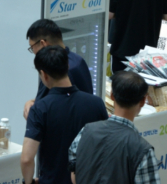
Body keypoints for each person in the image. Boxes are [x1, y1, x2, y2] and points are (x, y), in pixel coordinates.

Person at [21, 46, 108, 184]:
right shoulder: (96, 103)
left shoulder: (40, 109)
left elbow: (26, 159)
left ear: (44, 74)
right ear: (67, 66)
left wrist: (28, 182)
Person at [69, 72, 161, 184]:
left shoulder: (86, 131)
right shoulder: (142, 150)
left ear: (112, 96)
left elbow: (74, 172)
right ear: (142, 101)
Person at [22, 19, 94, 120]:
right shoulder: (78, 60)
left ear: (43, 43)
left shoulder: (53, 70)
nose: (33, 52)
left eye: (32, 47)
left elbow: (42, 110)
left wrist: (32, 108)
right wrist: (32, 101)